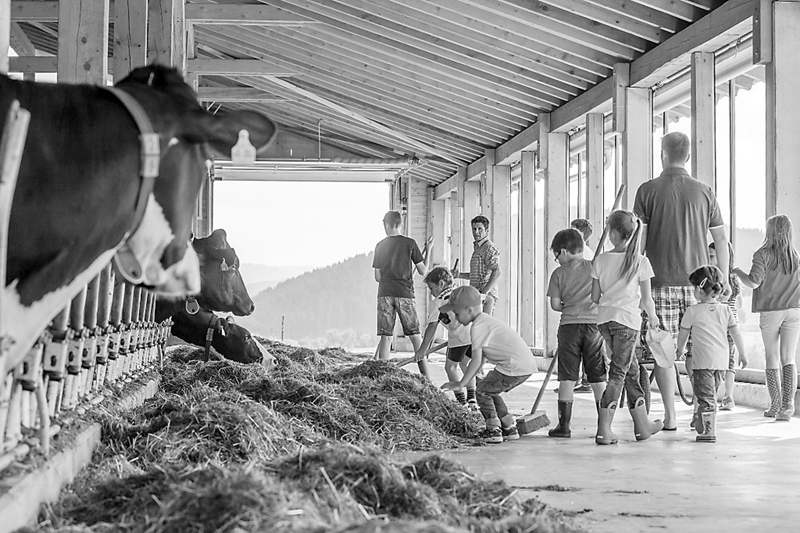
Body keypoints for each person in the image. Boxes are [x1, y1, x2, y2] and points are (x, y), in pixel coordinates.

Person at [633, 131, 731, 431]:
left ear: (662, 153)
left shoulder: (647, 190)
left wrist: (636, 282)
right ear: (688, 156)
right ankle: (702, 411)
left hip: (659, 281)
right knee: (700, 351)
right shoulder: (704, 191)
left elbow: (639, 242)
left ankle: (671, 415)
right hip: (698, 286)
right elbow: (721, 239)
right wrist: (723, 277)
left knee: (663, 353)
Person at [591, 210, 663, 445]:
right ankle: (604, 430)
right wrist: (652, 318)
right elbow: (646, 299)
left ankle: (643, 426)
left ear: (611, 233)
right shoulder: (640, 261)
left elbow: (594, 296)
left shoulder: (600, 260)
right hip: (628, 322)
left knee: (630, 371)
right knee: (619, 373)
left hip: (604, 322)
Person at [440, 285, 535, 444]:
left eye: (457, 313)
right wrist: (477, 373)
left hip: (513, 366)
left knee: (482, 392)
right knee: (490, 389)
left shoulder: (477, 327)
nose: (455, 317)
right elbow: (483, 355)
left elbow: (476, 359)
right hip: (523, 365)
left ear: (469, 310)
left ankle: (493, 430)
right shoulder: (485, 321)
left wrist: (461, 383)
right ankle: (509, 427)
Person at [733, 214, 800, 421]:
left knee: (772, 357)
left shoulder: (762, 254)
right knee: (788, 357)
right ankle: (788, 406)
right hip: (794, 310)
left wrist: (737, 272)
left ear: (770, 231)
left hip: (771, 311)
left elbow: (753, 282)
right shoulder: (795, 257)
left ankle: (775, 405)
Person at [547, 228, 607, 438]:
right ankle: (604, 425)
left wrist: (570, 306)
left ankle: (563, 427)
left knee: (567, 377)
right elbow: (603, 295)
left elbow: (555, 305)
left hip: (569, 327)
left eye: (556, 256)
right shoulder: (594, 267)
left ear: (563, 252)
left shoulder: (558, 274)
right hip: (594, 327)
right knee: (598, 376)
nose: (557, 260)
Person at [677, 266, 747, 443]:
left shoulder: (692, 311)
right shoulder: (725, 310)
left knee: (706, 398)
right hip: (721, 363)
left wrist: (679, 350)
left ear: (700, 290)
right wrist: (743, 353)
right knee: (709, 396)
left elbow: (683, 334)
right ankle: (701, 422)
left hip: (702, 363)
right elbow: (736, 333)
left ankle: (709, 432)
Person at [372, 210, 431, 377]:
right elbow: (423, 271)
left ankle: (382, 376)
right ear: (401, 224)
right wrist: (429, 249)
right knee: (414, 335)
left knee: (386, 336)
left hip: (384, 293)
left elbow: (377, 277)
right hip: (405, 294)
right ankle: (426, 376)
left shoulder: (380, 246)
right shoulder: (410, 244)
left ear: (386, 225)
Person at [415, 266, 478, 411]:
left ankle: (461, 402)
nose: (431, 292)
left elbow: (432, 327)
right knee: (466, 365)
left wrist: (422, 350)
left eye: (431, 288)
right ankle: (472, 398)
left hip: (459, 339)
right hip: (475, 335)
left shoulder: (437, 302)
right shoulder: (462, 292)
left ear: (441, 284)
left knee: (450, 367)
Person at [709, 242, 746, 410]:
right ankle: (729, 397)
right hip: (733, 326)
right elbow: (739, 304)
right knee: (730, 364)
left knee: (716, 363)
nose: (709, 260)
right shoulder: (734, 279)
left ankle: (712, 397)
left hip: (719, 328)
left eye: (711, 256)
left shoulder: (716, 279)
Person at [453, 215, 501, 315]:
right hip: (477, 294)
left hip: (485, 297)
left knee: (483, 326)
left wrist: (484, 293)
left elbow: (497, 271)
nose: (476, 232)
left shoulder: (488, 248)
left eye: (480, 229)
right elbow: (478, 275)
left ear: (487, 231)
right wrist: (459, 275)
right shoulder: (479, 248)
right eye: (474, 229)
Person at [572, 218, 595, 393]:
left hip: (584, 307)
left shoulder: (585, 254)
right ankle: (580, 380)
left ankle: (586, 381)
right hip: (579, 307)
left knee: (585, 347)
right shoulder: (582, 253)